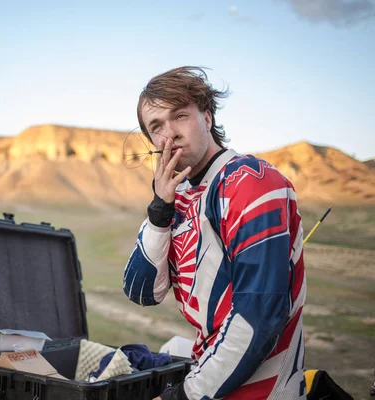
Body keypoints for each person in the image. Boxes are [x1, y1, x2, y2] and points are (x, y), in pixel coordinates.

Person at [123, 66, 307, 399]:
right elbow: (141, 291)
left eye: (180, 116)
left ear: (207, 117)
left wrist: (186, 394)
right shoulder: (176, 198)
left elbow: (260, 314)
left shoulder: (251, 181)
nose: (170, 134)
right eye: (156, 127)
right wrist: (159, 210)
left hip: (260, 389)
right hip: (211, 373)